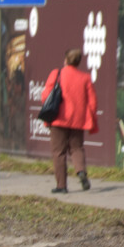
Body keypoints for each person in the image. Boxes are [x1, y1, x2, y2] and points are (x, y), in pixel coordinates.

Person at [42, 48, 97, 194]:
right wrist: (89, 118)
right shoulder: (85, 78)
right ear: (79, 62)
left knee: (59, 152)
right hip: (78, 120)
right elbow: (92, 102)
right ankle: (81, 172)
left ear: (66, 60)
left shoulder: (57, 74)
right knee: (77, 148)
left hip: (59, 119)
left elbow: (46, 95)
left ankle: (62, 185)